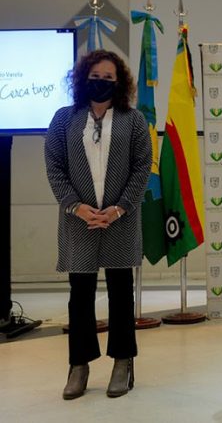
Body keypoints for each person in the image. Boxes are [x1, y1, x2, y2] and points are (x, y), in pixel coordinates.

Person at [45, 50, 151, 400]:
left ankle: (123, 362)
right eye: (95, 77)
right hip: (80, 221)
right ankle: (79, 365)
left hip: (120, 218)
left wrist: (120, 208)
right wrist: (76, 206)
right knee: (80, 295)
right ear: (82, 80)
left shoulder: (133, 120)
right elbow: (55, 167)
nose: (101, 82)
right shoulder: (64, 119)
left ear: (119, 83)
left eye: (108, 78)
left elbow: (142, 167)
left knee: (121, 293)